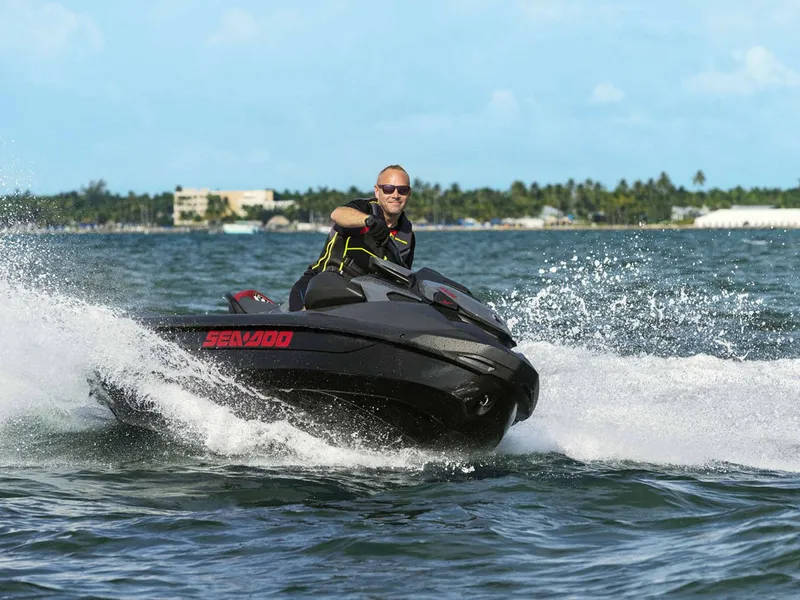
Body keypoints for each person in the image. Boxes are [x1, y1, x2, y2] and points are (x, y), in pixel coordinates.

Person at [289, 164, 415, 311]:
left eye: (402, 190)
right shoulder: (363, 209)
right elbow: (338, 214)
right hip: (320, 283)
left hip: (365, 296)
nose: (395, 195)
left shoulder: (407, 235)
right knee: (304, 312)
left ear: (409, 194)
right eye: (388, 189)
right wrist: (369, 221)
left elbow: (404, 278)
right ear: (377, 191)